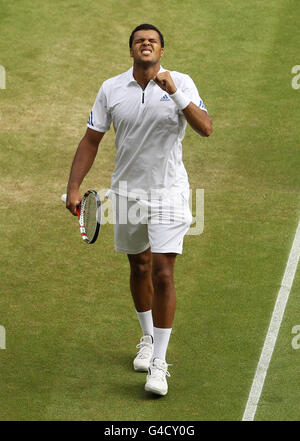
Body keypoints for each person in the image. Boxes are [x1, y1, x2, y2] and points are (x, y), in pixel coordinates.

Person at [66, 24, 212, 396]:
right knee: (139, 265)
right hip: (127, 195)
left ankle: (159, 365)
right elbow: (91, 139)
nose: (145, 44)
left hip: (169, 194)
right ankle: (147, 338)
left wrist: (175, 93)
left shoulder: (182, 81)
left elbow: (206, 128)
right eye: (138, 41)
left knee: (163, 272)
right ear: (131, 51)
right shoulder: (111, 88)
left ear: (162, 50)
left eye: (152, 40)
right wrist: (73, 186)